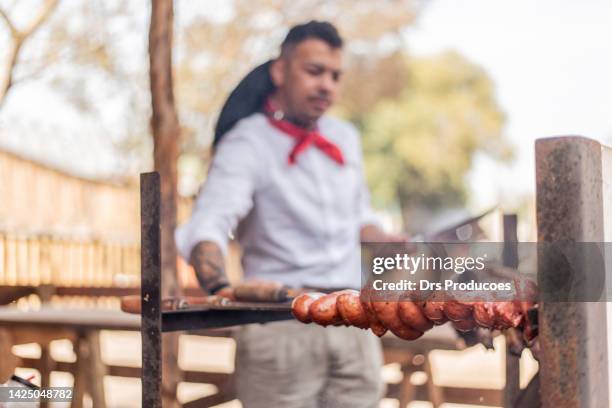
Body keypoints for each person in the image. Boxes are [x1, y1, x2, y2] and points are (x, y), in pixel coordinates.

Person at [176, 20, 404, 408]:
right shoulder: (247, 141)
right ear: (280, 71)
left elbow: (360, 219)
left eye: (335, 75)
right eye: (314, 72)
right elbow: (209, 224)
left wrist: (390, 242)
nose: (327, 85)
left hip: (355, 321)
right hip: (282, 325)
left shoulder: (345, 138)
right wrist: (219, 286)